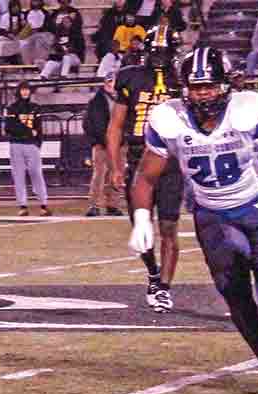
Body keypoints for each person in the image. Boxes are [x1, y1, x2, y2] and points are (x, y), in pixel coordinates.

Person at [132, 46, 258, 394]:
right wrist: (142, 218)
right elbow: (146, 177)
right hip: (211, 214)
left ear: (227, 85)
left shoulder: (249, 111)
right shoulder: (169, 120)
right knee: (233, 291)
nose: (202, 93)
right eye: (195, 86)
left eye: (209, 86)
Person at [107, 24, 183, 313]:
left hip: (173, 160)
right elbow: (115, 126)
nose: (160, 59)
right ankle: (153, 272)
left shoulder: (183, 79)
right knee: (141, 228)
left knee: (169, 226)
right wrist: (115, 165)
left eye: (165, 53)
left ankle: (164, 287)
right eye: (156, 53)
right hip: (139, 159)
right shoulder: (130, 77)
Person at [5, 81, 50, 216]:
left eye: (27, 89)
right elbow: (9, 128)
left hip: (32, 145)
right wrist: (29, 132)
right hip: (16, 145)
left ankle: (43, 204)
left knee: (36, 173)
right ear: (18, 91)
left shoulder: (36, 108)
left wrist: (37, 143)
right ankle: (22, 205)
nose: (25, 92)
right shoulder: (11, 108)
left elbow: (39, 128)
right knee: (18, 175)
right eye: (22, 89)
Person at [82, 73, 122, 216]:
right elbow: (88, 123)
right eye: (110, 82)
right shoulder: (96, 101)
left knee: (116, 174)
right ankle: (94, 205)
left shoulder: (121, 99)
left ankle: (113, 204)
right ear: (105, 83)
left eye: (114, 82)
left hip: (118, 143)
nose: (112, 85)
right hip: (102, 144)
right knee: (99, 174)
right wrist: (100, 139)